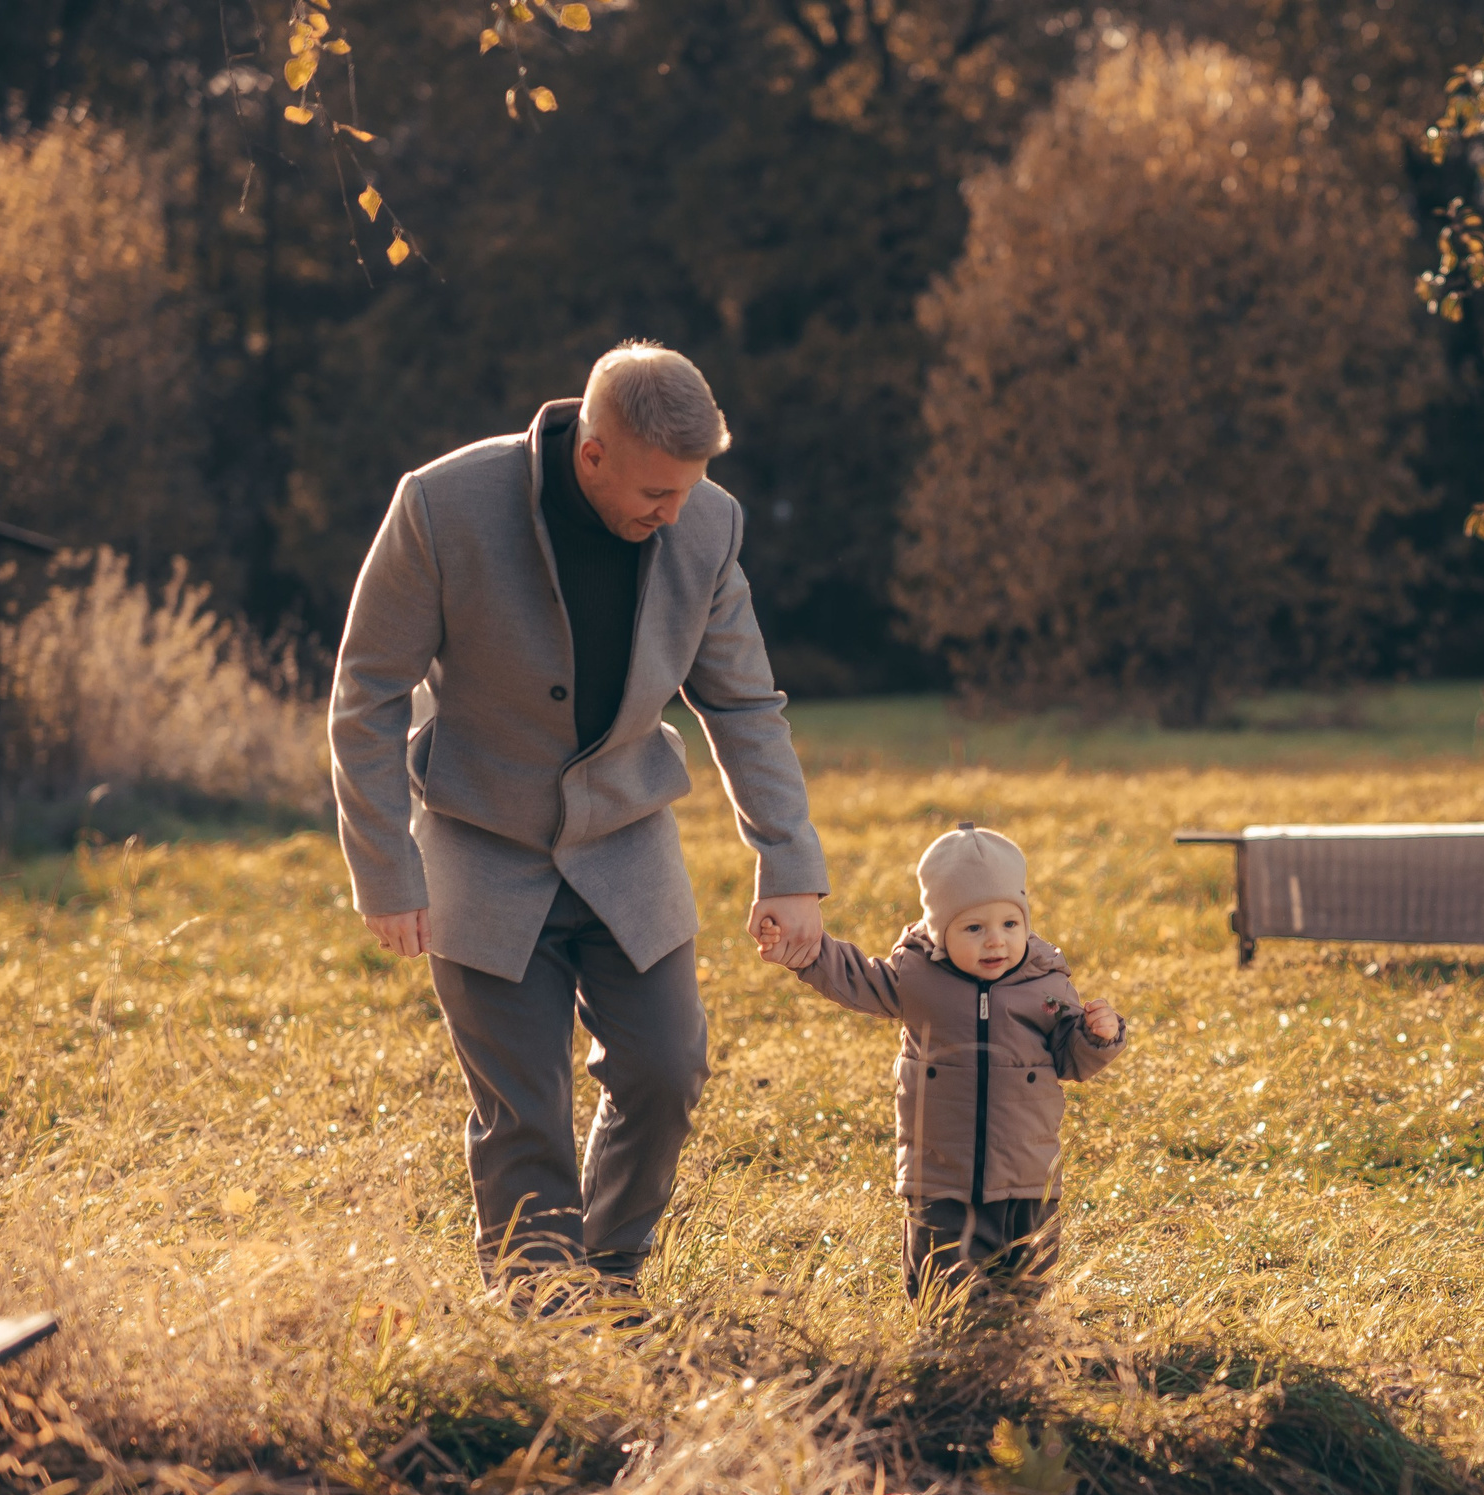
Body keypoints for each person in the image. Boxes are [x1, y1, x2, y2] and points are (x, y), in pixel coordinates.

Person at [328, 341, 830, 1306]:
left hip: (626, 842)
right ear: (591, 453)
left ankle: (605, 1278)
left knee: (666, 1068)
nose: (672, 514)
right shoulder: (441, 506)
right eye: (655, 492)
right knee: (526, 1113)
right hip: (479, 844)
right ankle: (537, 1310)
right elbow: (367, 693)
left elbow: (744, 704)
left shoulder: (707, 526)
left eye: (688, 491)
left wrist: (789, 860)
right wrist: (385, 869)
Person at [760, 822, 1126, 1302]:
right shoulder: (917, 978)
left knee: (1025, 1286)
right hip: (940, 1177)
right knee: (942, 1287)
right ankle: (946, 1359)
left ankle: (1015, 1357)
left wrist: (1099, 1036)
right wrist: (803, 949)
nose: (995, 941)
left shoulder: (1045, 984)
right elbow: (852, 976)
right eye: (974, 928)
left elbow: (1070, 1059)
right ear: (939, 929)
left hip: (1027, 1177)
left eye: (1009, 925)